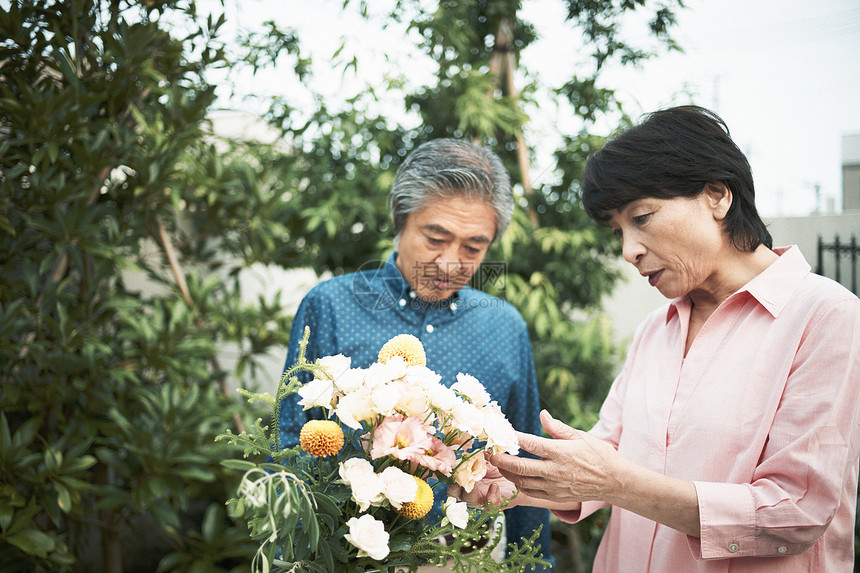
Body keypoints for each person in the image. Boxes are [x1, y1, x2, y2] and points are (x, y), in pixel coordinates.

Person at [451, 106, 860, 571]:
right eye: (618, 231)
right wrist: (507, 481)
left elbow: (794, 511)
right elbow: (608, 455)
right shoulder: (656, 329)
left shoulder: (825, 317)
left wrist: (617, 484)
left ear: (717, 196)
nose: (629, 250)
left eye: (641, 218)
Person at [278, 138, 553, 569]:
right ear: (399, 218)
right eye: (435, 238)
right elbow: (292, 442)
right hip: (346, 553)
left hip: (464, 558)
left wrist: (534, 564)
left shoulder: (505, 328)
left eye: (473, 248)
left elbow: (523, 468)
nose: (449, 263)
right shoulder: (331, 305)